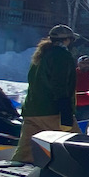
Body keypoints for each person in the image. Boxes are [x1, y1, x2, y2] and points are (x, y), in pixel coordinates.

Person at [11, 25, 79, 163]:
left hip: (32, 110)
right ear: (67, 40)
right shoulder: (61, 55)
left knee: (26, 151)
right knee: (76, 148)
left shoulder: (41, 54)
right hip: (52, 112)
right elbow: (59, 84)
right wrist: (66, 112)